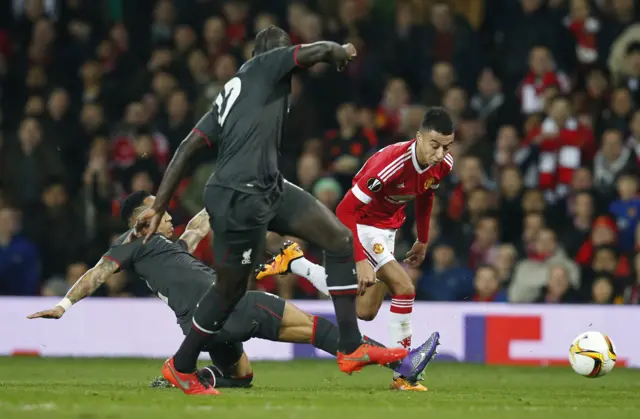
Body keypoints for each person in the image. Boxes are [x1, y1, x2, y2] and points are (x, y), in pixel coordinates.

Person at [134, 25, 408, 395]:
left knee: (339, 239)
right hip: (238, 194)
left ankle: (350, 346)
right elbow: (313, 51)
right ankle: (181, 366)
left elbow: (186, 147)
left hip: (267, 185)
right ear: (265, 54)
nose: (288, 56)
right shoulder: (264, 67)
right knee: (229, 291)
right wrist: (339, 50)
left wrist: (161, 205)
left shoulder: (234, 93)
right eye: (283, 51)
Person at [27, 191, 438, 393]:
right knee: (321, 331)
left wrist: (227, 193)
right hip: (234, 304)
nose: (169, 214)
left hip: (200, 324)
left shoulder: (161, 249)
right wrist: (64, 304)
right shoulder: (132, 241)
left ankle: (192, 376)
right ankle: (401, 362)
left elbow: (197, 227)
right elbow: (99, 272)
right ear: (141, 220)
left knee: (241, 379)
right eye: (160, 210)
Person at [257, 107, 454, 390]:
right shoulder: (392, 164)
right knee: (404, 288)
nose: (439, 153)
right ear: (418, 137)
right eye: (434, 145)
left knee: (365, 310)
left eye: (446, 146)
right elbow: (345, 210)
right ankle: (403, 373)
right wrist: (360, 258)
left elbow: (426, 193)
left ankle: (296, 263)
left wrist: (422, 238)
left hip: (388, 229)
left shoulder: (443, 163)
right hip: (362, 224)